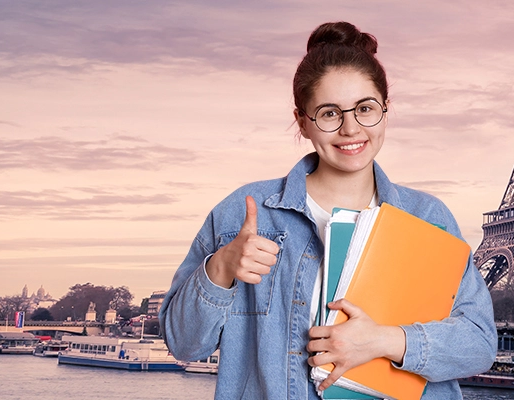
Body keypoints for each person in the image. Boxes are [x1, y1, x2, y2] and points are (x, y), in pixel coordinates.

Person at [159, 21, 496, 399]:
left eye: (365, 109)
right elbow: (184, 346)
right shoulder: (243, 213)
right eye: (330, 113)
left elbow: (479, 343)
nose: (351, 128)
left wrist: (385, 341)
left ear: (386, 110)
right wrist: (220, 268)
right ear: (303, 122)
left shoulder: (429, 217)